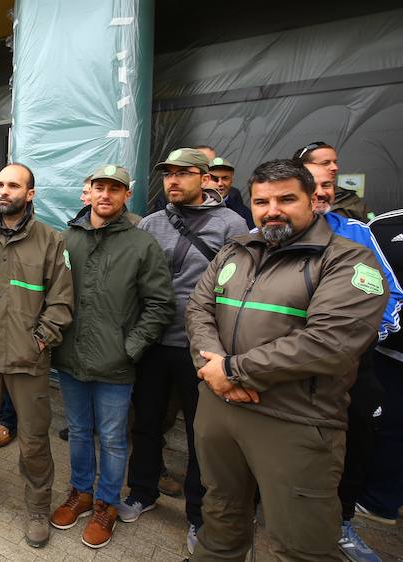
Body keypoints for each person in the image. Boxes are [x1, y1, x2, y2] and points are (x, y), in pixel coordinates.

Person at [185, 159, 388, 561]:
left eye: (286, 199)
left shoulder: (347, 261)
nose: (271, 209)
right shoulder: (236, 249)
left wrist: (231, 370)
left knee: (301, 541)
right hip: (218, 409)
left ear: (314, 200)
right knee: (221, 516)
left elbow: (329, 342)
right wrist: (215, 369)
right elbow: (197, 310)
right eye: (262, 201)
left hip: (293, 419)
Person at [121, 148, 248, 554]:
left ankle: (197, 515)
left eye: (184, 173)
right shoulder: (152, 223)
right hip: (154, 342)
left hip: (201, 349)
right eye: (168, 174)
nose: (173, 181)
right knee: (145, 423)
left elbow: (236, 288)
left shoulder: (232, 224)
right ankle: (142, 490)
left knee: (200, 434)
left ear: (206, 177)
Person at [50, 165, 175, 549]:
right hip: (71, 359)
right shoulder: (66, 239)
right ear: (87, 192)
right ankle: (81, 493)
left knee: (114, 439)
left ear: (126, 195)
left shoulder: (141, 244)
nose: (105, 195)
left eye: (114, 189)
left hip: (116, 365)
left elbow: (159, 304)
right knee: (79, 432)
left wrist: (131, 348)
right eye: (99, 187)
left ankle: (107, 504)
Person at [0, 163, 73, 547]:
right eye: (0, 184)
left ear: (31, 194)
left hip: (28, 358)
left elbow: (61, 302)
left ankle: (37, 507)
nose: (3, 191)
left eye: (13, 185)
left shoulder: (51, 241)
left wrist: (40, 340)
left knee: (35, 439)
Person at [303, 163, 402, 562]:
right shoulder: (263, 237)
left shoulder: (358, 234)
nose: (322, 192)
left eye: (328, 184)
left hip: (349, 368)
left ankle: (341, 524)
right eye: (312, 185)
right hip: (283, 368)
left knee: (352, 444)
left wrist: (357, 340)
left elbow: (391, 296)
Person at [357, 209, 403, 528]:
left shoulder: (358, 229)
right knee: (386, 426)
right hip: (390, 355)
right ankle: (377, 499)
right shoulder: (384, 228)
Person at [292, 141, 374, 222]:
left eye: (335, 162)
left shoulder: (350, 198)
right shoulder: (287, 199)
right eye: (326, 163)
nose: (335, 167)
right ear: (303, 168)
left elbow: (370, 226)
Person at [208, 158, 254, 229]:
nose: (220, 183)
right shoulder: (191, 208)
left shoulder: (244, 213)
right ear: (204, 180)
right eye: (214, 178)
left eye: (225, 178)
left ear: (231, 181)